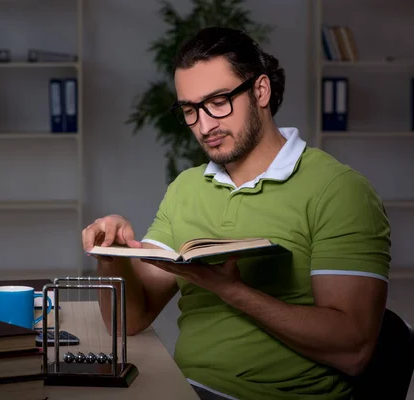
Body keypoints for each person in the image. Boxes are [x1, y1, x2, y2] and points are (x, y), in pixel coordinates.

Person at [82, 27, 390, 400]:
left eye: (218, 101)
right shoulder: (186, 188)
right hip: (182, 388)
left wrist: (231, 290)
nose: (205, 125)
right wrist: (111, 254)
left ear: (260, 90)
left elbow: (353, 349)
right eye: (191, 110)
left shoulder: (340, 191)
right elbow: (129, 321)